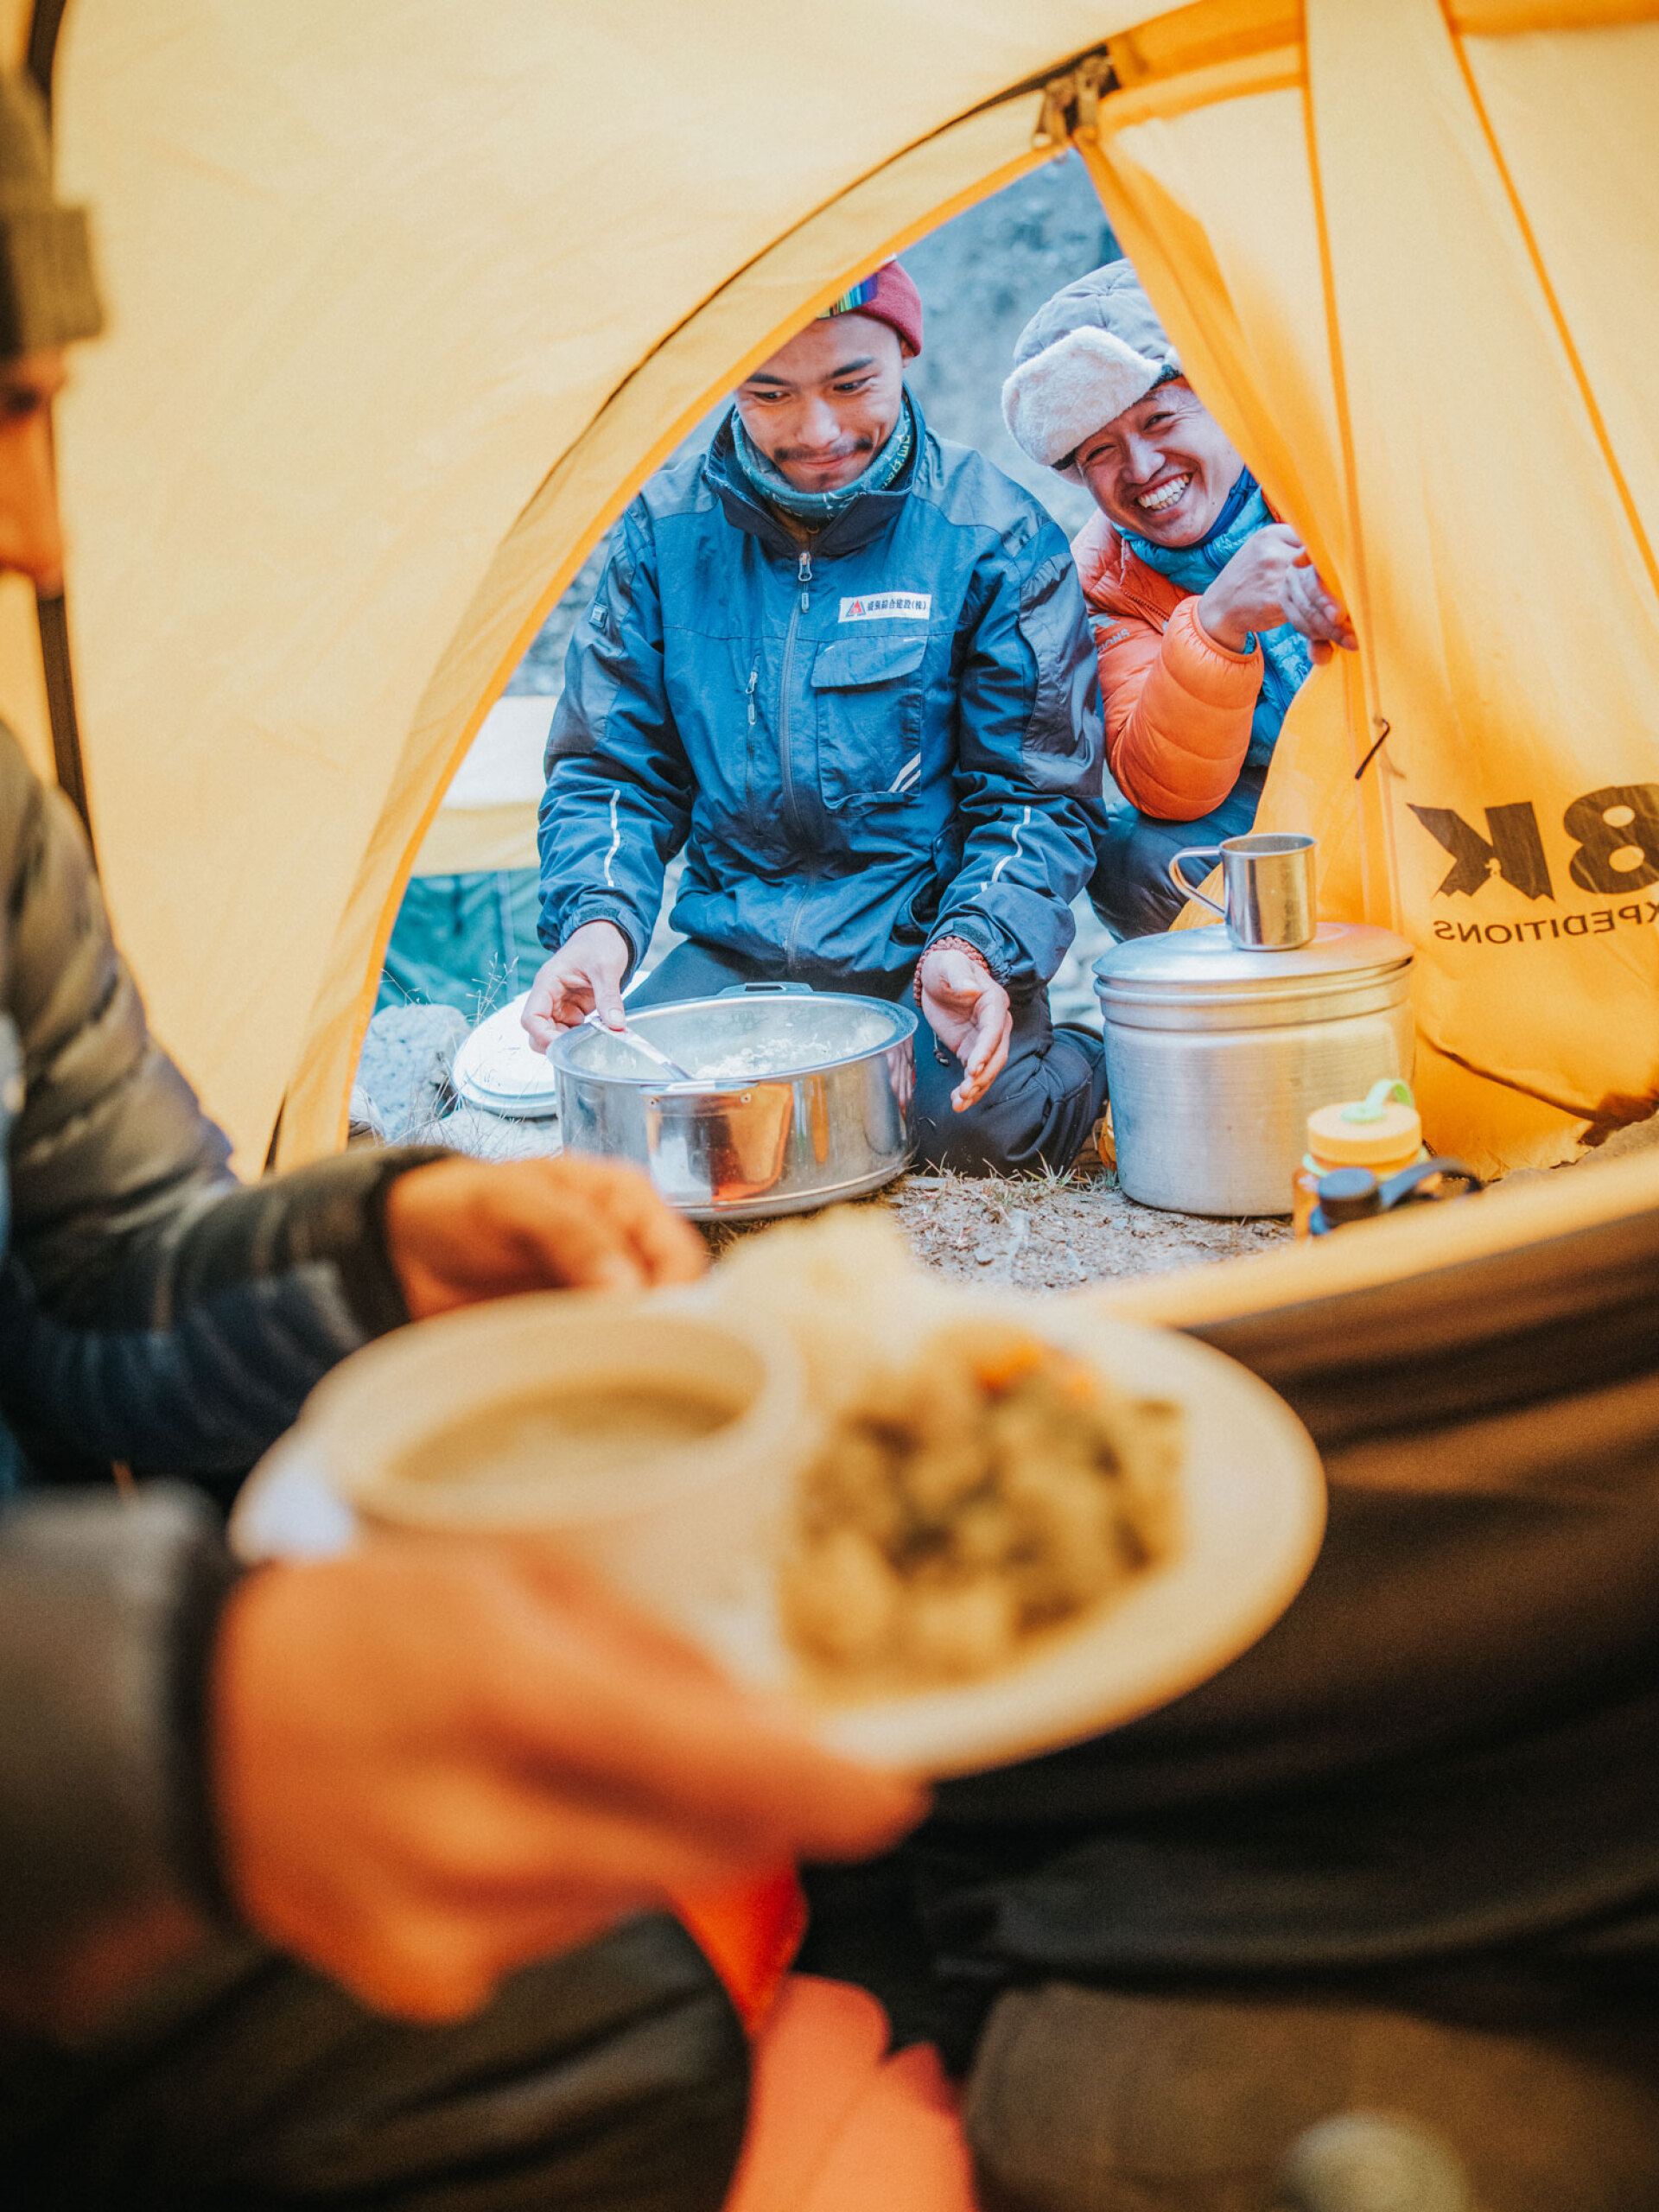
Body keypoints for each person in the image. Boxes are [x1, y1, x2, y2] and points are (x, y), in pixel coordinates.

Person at [0, 73, 920, 2209]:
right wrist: (165, 1720)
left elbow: (110, 1265)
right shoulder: (666, 549)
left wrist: (387, 1237)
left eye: (45, 412)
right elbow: (603, 762)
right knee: (624, 2041)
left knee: (805, 1821)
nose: (42, 535)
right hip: (79, 1769)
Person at [523, 262, 1109, 1177]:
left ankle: (1080, 1068)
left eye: (852, 383)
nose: (819, 431)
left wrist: (976, 942)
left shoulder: (993, 537)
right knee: (645, 1135)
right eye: (770, 393)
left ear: (904, 354)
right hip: (736, 952)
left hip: (924, 948)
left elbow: (1038, 800)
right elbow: (610, 771)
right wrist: (599, 925)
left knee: (969, 1130)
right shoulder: (662, 536)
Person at [1001, 261, 1355, 938]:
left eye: (1160, 418)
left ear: (1222, 398)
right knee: (1136, 858)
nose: (1140, 468)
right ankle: (1286, 1013)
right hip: (1288, 810)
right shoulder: (1100, 582)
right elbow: (1164, 789)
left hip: (1425, 767)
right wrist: (1216, 628)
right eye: (1099, 452)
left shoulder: (1332, 474)